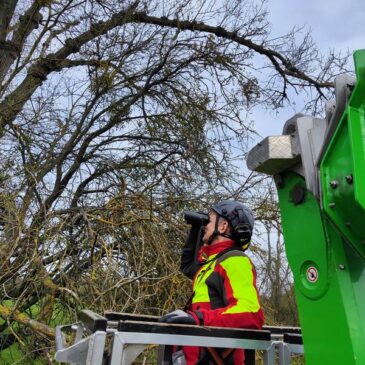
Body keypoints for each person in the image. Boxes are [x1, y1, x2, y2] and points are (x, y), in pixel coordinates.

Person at [159, 200, 264, 365]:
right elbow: (187, 266)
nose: (205, 224)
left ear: (222, 227)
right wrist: (196, 231)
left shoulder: (235, 261)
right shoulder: (212, 263)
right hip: (197, 358)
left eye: (210, 219)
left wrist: (198, 318)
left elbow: (251, 313)